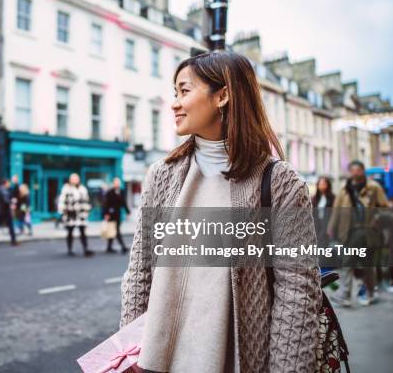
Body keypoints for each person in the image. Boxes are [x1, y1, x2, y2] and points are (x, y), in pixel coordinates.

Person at [120, 52, 321, 372]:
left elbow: (298, 290)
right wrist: (128, 353)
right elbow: (140, 271)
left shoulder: (280, 182)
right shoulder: (162, 174)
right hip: (159, 360)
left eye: (184, 91)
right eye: (175, 93)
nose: (174, 103)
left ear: (222, 96)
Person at [327, 160, 389, 306]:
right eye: (353, 170)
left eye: (358, 170)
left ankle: (370, 293)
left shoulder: (374, 187)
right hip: (350, 232)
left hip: (368, 232)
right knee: (347, 262)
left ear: (363, 171)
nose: (355, 173)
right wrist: (331, 227)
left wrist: (377, 218)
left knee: (368, 265)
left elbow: (385, 207)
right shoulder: (344, 189)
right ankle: (346, 294)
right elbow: (336, 210)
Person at [59, 173, 94, 257]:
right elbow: (62, 201)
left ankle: (85, 249)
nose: (75, 180)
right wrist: (62, 211)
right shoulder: (66, 188)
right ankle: (70, 249)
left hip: (81, 214)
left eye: (76, 178)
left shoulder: (83, 188)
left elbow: (87, 200)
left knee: (83, 232)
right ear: (70, 180)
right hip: (70, 214)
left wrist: (87, 210)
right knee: (70, 232)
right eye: (73, 179)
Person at [102, 177, 130, 254]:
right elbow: (105, 204)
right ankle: (123, 247)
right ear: (113, 184)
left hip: (118, 215)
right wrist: (106, 214)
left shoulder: (121, 191)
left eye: (118, 183)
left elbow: (124, 203)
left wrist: (128, 212)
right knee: (116, 231)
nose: (117, 184)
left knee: (113, 231)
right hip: (111, 215)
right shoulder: (109, 192)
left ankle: (109, 247)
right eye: (115, 182)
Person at [311, 176, 336, 248]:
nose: (322, 186)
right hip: (317, 224)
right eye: (320, 184)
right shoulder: (314, 199)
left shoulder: (333, 198)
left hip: (328, 224)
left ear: (328, 185)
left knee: (326, 245)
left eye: (324, 184)